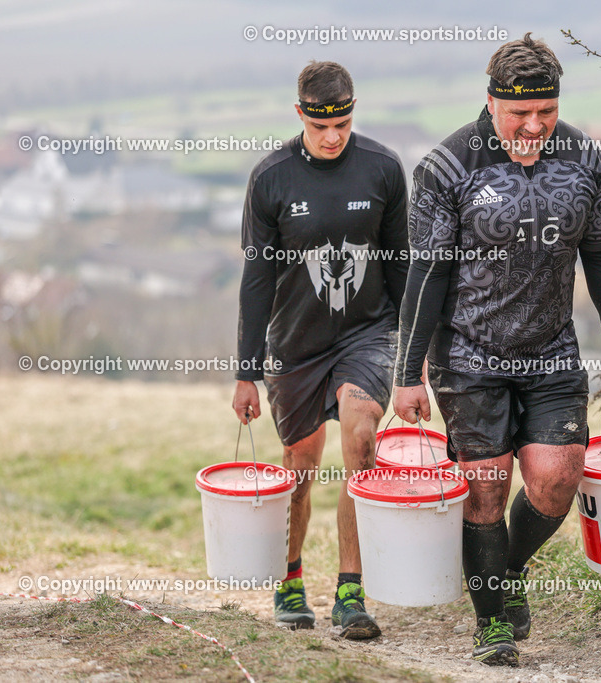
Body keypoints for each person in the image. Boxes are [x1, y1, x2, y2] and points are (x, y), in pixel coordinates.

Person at [392, 33, 601, 666]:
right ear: (491, 102)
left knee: (558, 480)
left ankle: (503, 572)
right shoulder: (449, 165)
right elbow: (427, 273)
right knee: (484, 489)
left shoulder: (583, 157)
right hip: (469, 355)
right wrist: (407, 370)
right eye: (519, 115)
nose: (534, 127)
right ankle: (492, 626)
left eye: (547, 114)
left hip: (551, 348)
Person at [232, 60, 408, 638]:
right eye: (321, 126)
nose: (333, 137)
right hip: (295, 344)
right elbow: (257, 281)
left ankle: (351, 592)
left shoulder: (383, 168)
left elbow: (402, 266)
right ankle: (289, 580)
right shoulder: (272, 177)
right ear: (301, 114)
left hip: (366, 333)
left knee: (361, 432)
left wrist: (415, 353)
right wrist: (246, 372)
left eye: (344, 123)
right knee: (302, 466)